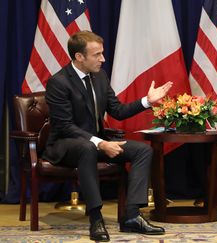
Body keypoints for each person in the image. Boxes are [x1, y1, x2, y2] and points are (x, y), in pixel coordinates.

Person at [43, 30, 173, 242]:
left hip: (96, 142)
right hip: (64, 145)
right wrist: (100, 143)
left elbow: (117, 110)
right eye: (97, 55)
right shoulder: (59, 82)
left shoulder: (100, 76)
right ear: (79, 57)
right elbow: (65, 126)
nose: (103, 59)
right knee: (86, 148)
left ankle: (132, 216)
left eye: (102, 53)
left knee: (142, 150)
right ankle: (96, 219)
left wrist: (147, 101)